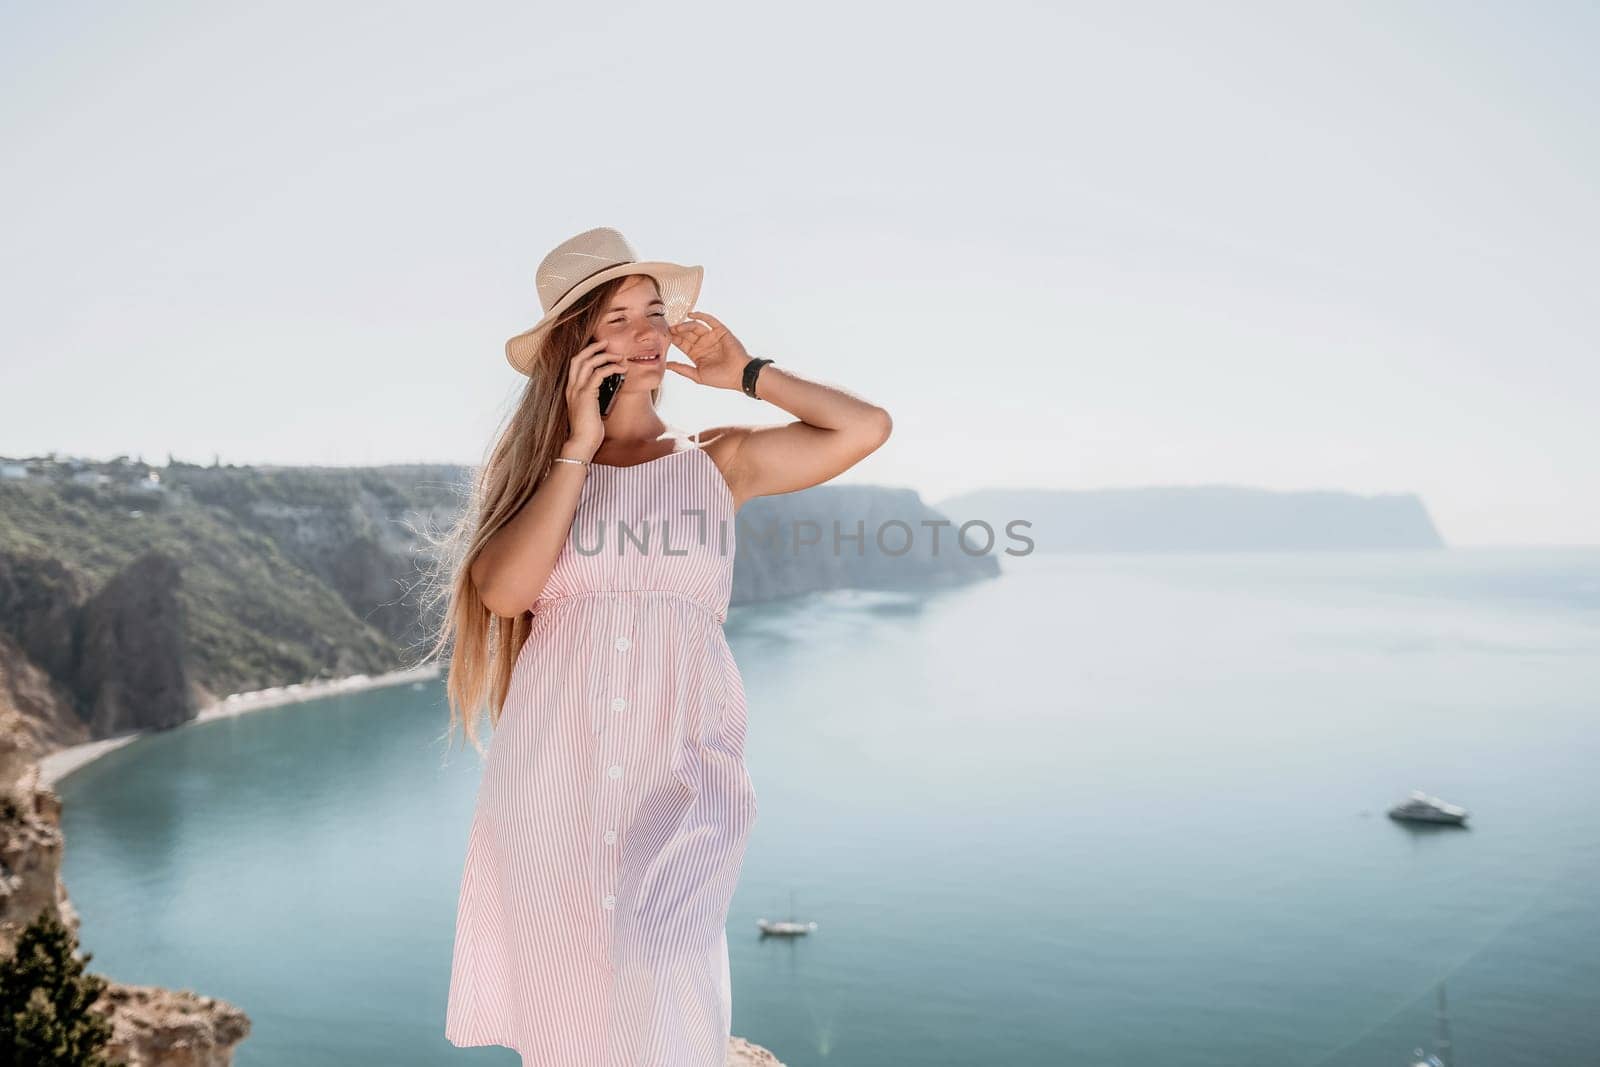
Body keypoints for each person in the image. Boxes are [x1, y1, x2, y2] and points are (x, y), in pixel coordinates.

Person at [422, 226, 892, 1066]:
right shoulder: (542, 474)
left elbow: (864, 427)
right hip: (558, 773)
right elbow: (503, 593)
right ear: (577, 345)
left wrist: (746, 373)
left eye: (656, 313)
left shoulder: (720, 460)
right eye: (619, 318)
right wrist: (575, 445)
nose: (650, 334)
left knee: (667, 952)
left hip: (684, 763)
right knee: (568, 996)